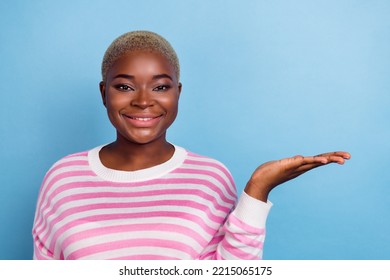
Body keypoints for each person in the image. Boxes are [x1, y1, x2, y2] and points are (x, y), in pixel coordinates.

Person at [32, 31, 350, 260]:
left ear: (177, 93)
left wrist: (257, 191)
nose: (143, 100)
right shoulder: (63, 178)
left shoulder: (209, 177)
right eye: (125, 86)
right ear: (104, 93)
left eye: (160, 86)